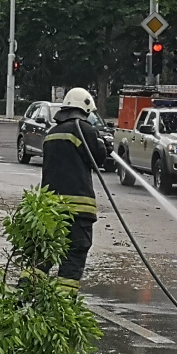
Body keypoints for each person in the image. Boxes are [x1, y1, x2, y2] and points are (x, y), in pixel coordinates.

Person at [41, 87, 114, 287]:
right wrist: (104, 146)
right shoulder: (85, 130)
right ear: (85, 109)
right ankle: (62, 308)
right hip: (78, 210)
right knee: (74, 256)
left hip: (49, 210)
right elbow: (98, 158)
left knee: (43, 256)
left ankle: (23, 296)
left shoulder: (51, 133)